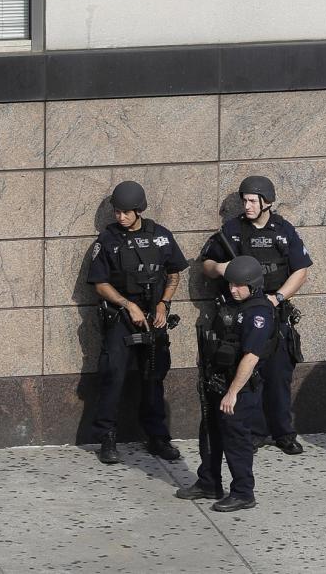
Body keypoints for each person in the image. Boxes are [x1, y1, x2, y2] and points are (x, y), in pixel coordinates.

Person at [201, 175, 311, 455]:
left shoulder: (283, 231)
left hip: (273, 312)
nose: (247, 205)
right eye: (244, 200)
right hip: (241, 315)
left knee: (279, 375)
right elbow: (207, 264)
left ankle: (284, 432)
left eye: (253, 200)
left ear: (267, 202)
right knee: (250, 375)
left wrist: (278, 298)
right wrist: (221, 269)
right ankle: (255, 432)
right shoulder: (232, 230)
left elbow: (301, 270)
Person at [87, 180, 188, 466]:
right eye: (117, 211)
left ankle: (157, 436)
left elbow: (174, 272)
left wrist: (163, 304)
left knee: (154, 377)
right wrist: (128, 304)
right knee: (113, 375)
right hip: (122, 317)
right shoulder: (107, 240)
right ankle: (107, 435)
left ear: (139, 210)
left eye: (126, 212)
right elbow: (100, 283)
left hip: (154, 316)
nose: (120, 216)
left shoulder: (161, 237)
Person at [176, 255, 278, 511]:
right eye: (230, 284)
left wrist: (233, 392)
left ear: (253, 285)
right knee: (209, 434)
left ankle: (243, 492)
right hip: (217, 380)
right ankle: (208, 482)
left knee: (236, 439)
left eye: (238, 285)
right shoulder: (233, 303)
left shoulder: (259, 312)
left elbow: (251, 356)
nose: (232, 289)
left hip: (239, 387)